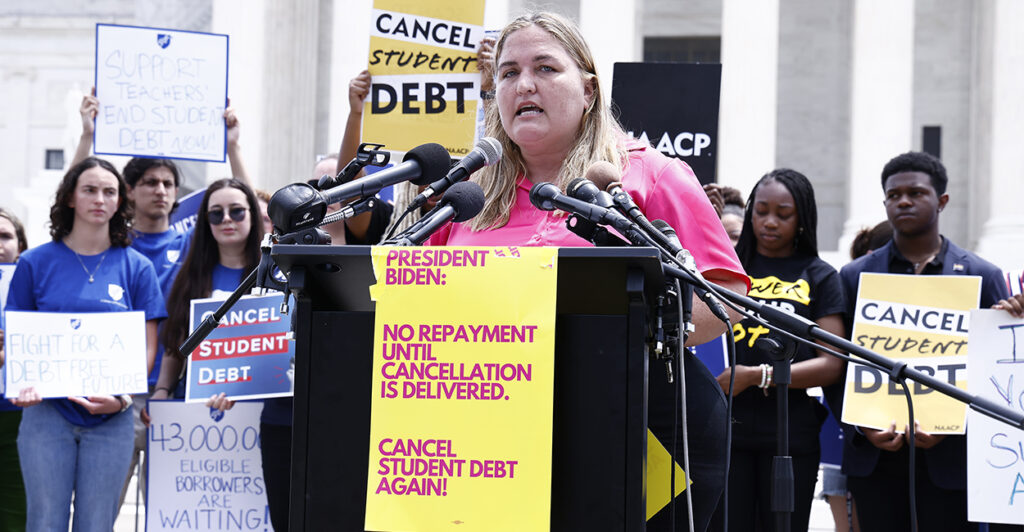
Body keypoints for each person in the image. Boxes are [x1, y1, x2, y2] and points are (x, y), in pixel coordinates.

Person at [426, 12, 748, 531]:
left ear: (589, 90)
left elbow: (725, 292)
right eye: (508, 73)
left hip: (639, 422)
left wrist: (630, 338)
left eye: (545, 68)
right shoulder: (467, 194)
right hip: (493, 433)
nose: (523, 85)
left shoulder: (648, 174)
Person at [839, 151, 1010, 532]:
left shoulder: (982, 275)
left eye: (915, 193)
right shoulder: (853, 276)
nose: (903, 201)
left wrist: (954, 424)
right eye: (893, 195)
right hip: (876, 459)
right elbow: (838, 365)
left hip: (952, 460)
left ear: (942, 201)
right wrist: (862, 427)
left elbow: (997, 374)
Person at [5, 157, 164, 531]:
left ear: (119, 201)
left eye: (109, 191)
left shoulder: (137, 267)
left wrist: (122, 398)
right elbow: (18, 336)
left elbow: (147, 347)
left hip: (113, 418)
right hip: (46, 413)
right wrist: (23, 383)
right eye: (89, 190)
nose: (99, 199)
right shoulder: (34, 263)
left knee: (96, 524)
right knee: (44, 522)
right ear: (70, 198)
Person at [709, 169, 845, 532]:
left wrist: (757, 376)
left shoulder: (820, 275)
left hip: (789, 433)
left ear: (802, 219)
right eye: (761, 211)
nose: (770, 222)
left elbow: (832, 364)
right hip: (725, 431)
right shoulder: (728, 267)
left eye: (783, 214)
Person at [152, 178, 264, 407]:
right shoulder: (190, 277)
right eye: (216, 213)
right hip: (198, 406)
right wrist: (162, 389)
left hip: (258, 407)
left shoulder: (276, 275)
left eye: (237, 211)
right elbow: (176, 344)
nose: (226, 219)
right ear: (205, 221)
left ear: (253, 215)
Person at [0, 207, 28, 531]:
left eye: (5, 236)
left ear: (20, 246)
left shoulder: (35, 285)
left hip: (17, 414)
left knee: (15, 515)